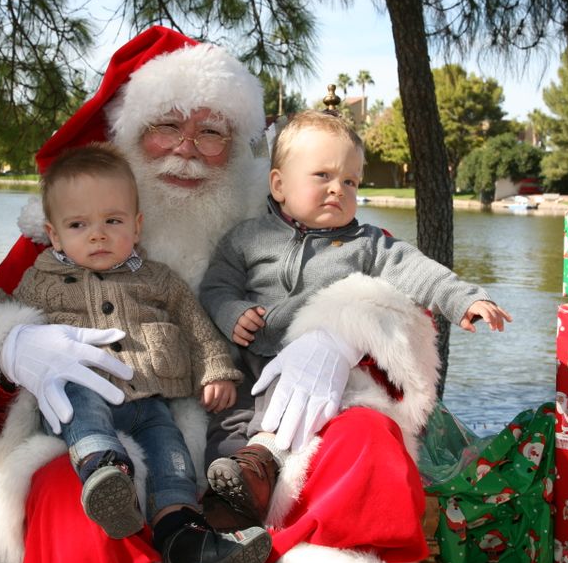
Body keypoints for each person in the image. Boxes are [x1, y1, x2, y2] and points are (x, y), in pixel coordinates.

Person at [0, 27, 445, 563]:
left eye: (211, 133)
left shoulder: (280, 213)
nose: (187, 150)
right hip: (117, 440)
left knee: (367, 442)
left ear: (242, 146)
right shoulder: (72, 222)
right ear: (129, 134)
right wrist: (15, 344)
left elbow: (394, 287)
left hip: (264, 438)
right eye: (166, 128)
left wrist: (337, 333)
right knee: (68, 491)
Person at [0, 144, 269, 563]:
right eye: (78, 225)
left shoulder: (158, 278)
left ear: (137, 224)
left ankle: (183, 536)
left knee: (172, 457)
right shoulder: (43, 279)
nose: (98, 236)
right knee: (77, 397)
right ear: (54, 235)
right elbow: (9, 302)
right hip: (84, 395)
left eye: (113, 221)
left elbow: (196, 326)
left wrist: (216, 369)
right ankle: (103, 469)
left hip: (149, 402)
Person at [199, 111, 512, 525]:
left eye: (350, 181)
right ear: (278, 185)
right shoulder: (246, 238)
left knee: (294, 429)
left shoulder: (367, 245)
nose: (337, 189)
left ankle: (261, 472)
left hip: (317, 373)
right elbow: (216, 287)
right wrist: (232, 312)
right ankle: (227, 510)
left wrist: (464, 299)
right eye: (322, 175)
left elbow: (420, 272)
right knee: (225, 430)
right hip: (250, 364)